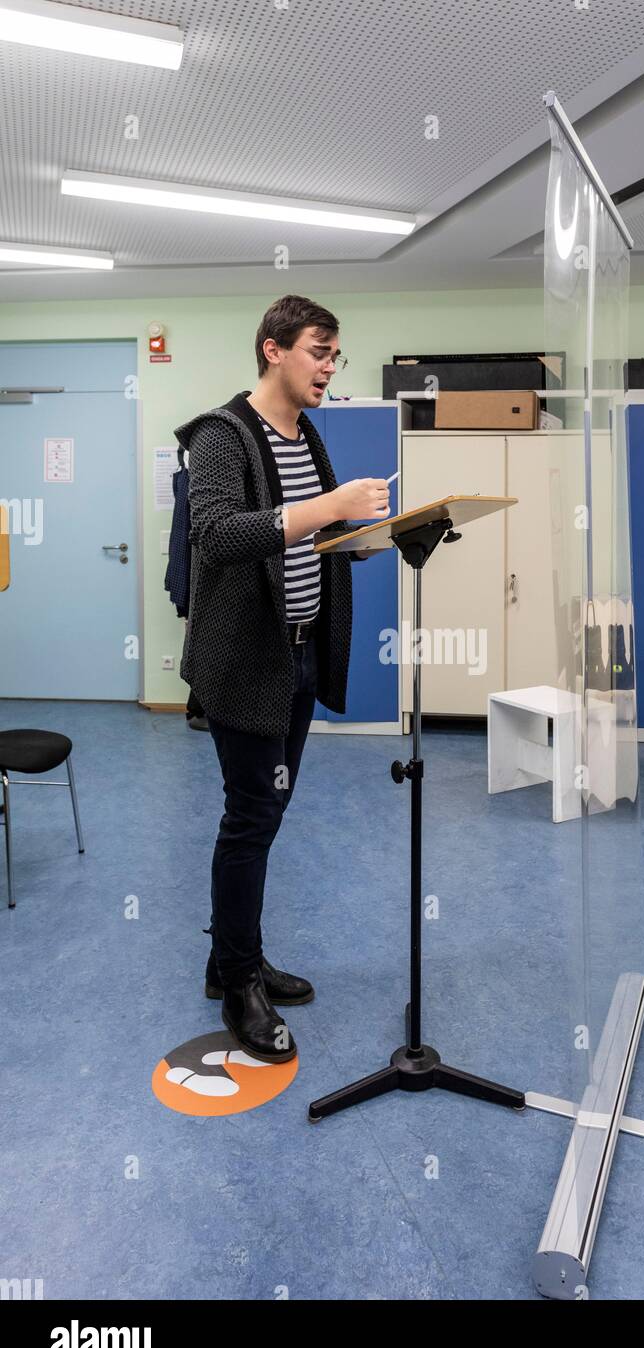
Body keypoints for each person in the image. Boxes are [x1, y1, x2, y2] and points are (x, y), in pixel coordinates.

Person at [174, 294, 390, 1062]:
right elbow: (219, 535)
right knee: (250, 818)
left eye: (335, 355)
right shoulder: (223, 435)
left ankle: (234, 957)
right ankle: (238, 983)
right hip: (244, 664)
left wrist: (362, 538)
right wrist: (329, 504)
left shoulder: (307, 435)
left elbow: (314, 536)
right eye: (319, 351)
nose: (330, 367)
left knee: (266, 813)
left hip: (297, 655)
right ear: (274, 350)